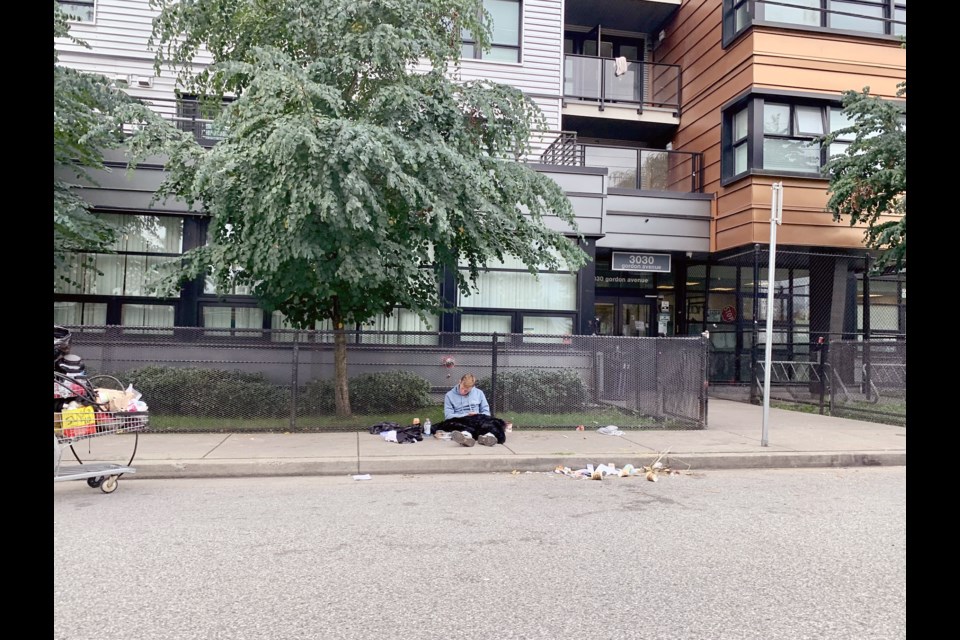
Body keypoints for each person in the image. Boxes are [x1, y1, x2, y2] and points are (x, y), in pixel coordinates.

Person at [440, 373, 501, 447]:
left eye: (466, 391)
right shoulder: (449, 395)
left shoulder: (479, 393)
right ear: (460, 382)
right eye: (462, 388)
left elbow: (486, 412)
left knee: (494, 422)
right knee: (453, 425)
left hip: (477, 419)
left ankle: (487, 437)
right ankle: (466, 437)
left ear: (472, 387)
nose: (463, 391)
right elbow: (448, 416)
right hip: (461, 420)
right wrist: (466, 415)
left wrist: (478, 415)